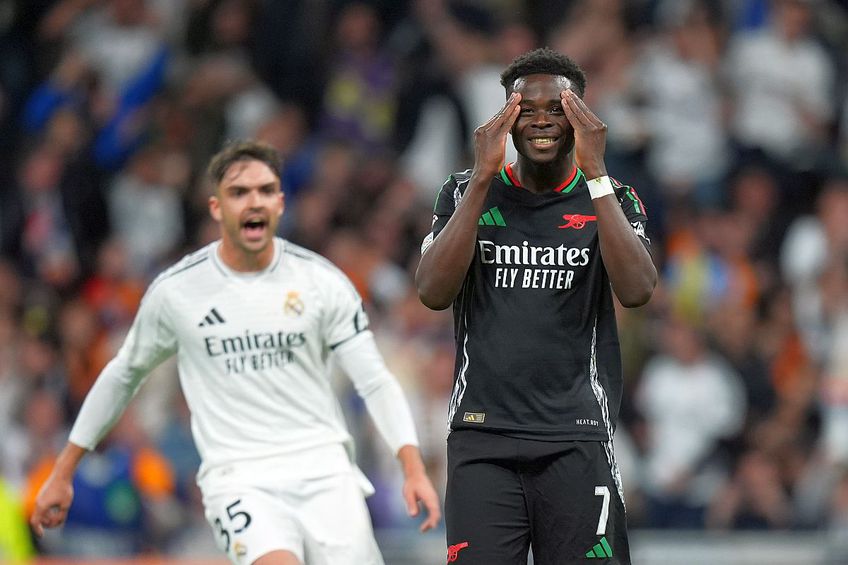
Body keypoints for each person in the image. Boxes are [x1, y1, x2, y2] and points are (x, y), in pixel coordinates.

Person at [30, 140, 441, 565]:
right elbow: (122, 375)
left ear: (280, 203)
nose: (253, 202)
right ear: (216, 207)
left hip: (324, 472)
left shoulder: (322, 283)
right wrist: (64, 469)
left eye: (265, 190)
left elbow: (374, 379)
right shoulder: (178, 292)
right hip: (240, 478)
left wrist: (411, 465)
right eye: (239, 192)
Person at [415, 47, 656, 564]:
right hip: (483, 437)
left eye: (558, 110)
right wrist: (482, 177)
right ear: (506, 117)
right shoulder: (463, 192)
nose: (542, 121)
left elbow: (636, 290)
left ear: (581, 119)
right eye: (527, 110)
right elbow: (433, 292)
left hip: (576, 437)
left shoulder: (612, 196)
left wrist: (595, 176)